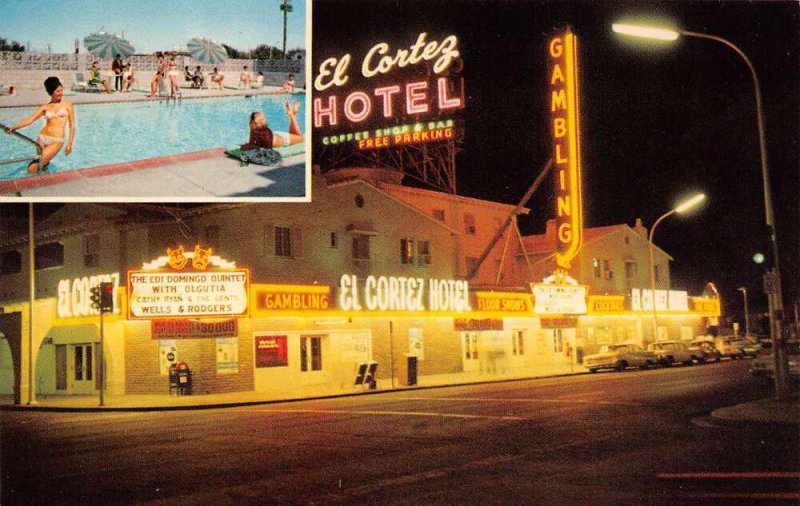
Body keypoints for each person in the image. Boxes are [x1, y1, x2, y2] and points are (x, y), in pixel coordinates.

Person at [4, 77, 75, 173]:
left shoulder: (67, 105)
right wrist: (14, 127)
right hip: (41, 139)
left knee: (31, 168)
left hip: (56, 140)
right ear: (51, 92)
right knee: (42, 165)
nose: (61, 93)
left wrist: (69, 144)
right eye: (58, 91)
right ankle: (43, 180)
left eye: (61, 90)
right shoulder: (45, 107)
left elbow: (72, 125)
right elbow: (30, 119)